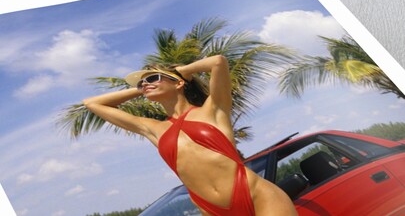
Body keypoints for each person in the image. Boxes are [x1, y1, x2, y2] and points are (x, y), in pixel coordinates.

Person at [83, 55, 297, 216]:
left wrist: (181, 71)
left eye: (154, 78)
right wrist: (143, 89)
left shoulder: (213, 109)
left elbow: (218, 62)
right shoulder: (153, 128)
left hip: (256, 195)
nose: (146, 83)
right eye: (142, 82)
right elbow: (92, 103)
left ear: (179, 83)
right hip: (212, 210)